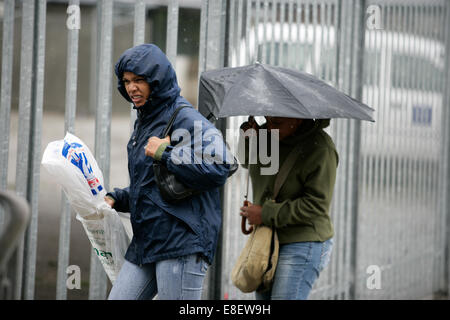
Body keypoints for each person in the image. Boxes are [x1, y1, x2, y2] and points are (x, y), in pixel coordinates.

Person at [105, 44, 233, 300]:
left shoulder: (185, 117)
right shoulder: (146, 119)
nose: (131, 88)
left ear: (156, 80)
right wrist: (118, 198)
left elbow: (221, 164)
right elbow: (154, 185)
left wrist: (167, 153)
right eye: (127, 81)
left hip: (180, 243)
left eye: (139, 80)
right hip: (148, 241)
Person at [239, 116, 338, 300]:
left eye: (276, 123)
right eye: (267, 121)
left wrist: (265, 214)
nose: (269, 128)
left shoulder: (321, 148)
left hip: (303, 240)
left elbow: (316, 205)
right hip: (267, 238)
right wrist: (247, 138)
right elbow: (247, 162)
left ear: (298, 119)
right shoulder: (267, 133)